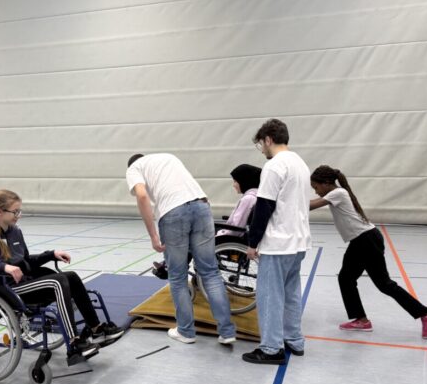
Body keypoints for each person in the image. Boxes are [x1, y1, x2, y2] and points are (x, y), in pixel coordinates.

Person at [0, 189, 124, 366]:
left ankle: (96, 329)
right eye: (15, 212)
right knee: (57, 282)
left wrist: (51, 254)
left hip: (25, 282)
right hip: (9, 288)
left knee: (71, 277)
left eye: (19, 211)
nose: (18, 215)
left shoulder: (15, 232)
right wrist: (4, 266)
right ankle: (74, 343)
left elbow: (26, 261)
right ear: (0, 212)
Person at [309, 165, 427, 338]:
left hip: (366, 240)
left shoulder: (337, 193)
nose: (316, 192)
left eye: (316, 187)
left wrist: (287, 200)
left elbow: (310, 206)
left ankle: (426, 313)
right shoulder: (336, 194)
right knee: (348, 279)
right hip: (362, 240)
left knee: (381, 284)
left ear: (326, 183)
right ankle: (362, 320)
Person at [126, 153, 237, 345]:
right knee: (210, 273)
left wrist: (153, 235)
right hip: (201, 206)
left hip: (173, 213)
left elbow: (142, 196)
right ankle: (227, 332)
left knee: (177, 277)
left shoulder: (134, 168)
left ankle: (186, 331)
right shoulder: (168, 157)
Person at [242, 119, 311, 365]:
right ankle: (294, 339)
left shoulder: (274, 166)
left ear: (268, 139)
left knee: (270, 296)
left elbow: (264, 206)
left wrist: (253, 242)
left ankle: (271, 348)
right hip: (298, 241)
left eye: (261, 144)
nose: (262, 150)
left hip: (278, 243)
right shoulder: (300, 163)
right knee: (291, 293)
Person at [151, 163, 262, 279]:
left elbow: (236, 227)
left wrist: (218, 233)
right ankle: (171, 264)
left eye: (235, 181)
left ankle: (172, 267)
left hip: (231, 238)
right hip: (236, 236)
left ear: (245, 181)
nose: (233, 185)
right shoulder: (255, 196)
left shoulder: (248, 199)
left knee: (190, 237)